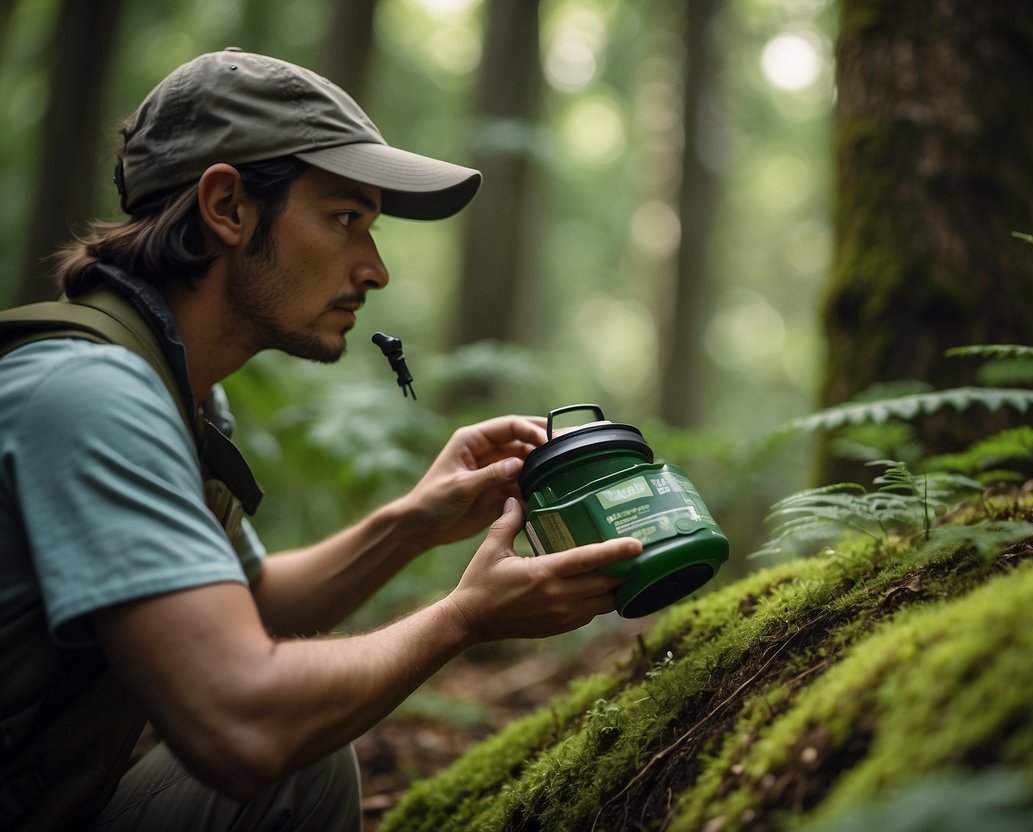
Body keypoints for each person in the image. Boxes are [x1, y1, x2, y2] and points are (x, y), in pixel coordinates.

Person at [0, 48, 640, 831]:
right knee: (288, 762)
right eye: (346, 219)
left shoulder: (177, 391)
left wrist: (416, 523)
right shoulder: (91, 396)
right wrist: (462, 618)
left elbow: (252, 607)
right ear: (227, 207)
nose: (375, 269)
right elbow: (238, 723)